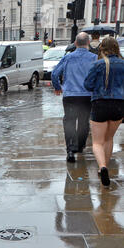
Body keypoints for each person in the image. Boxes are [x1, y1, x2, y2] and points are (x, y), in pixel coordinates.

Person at [51, 32, 97, 163]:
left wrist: (58, 87)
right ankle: (80, 146)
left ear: (75, 43)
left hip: (70, 95)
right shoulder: (94, 58)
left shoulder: (68, 58)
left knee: (70, 122)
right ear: (88, 43)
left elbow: (54, 74)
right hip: (87, 96)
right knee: (83, 122)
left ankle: (70, 150)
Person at [84, 37, 124, 186]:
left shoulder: (98, 65)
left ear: (102, 48)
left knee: (97, 142)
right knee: (109, 139)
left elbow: (87, 85)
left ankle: (102, 167)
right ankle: (104, 167)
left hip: (100, 103)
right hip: (119, 105)